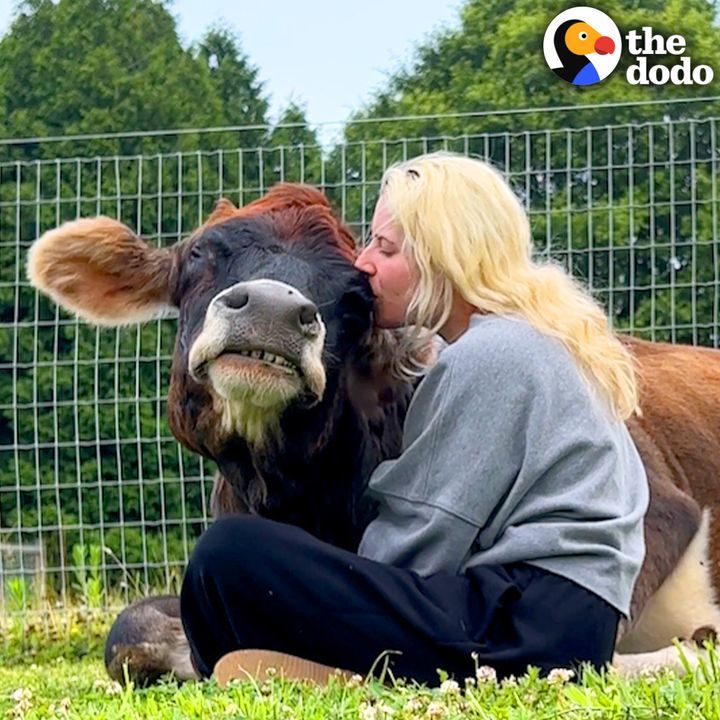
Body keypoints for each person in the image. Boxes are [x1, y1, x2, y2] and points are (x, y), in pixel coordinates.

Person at [180, 151, 649, 686]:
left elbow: (420, 545)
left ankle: (298, 668)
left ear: (443, 259)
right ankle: (302, 668)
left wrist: (326, 581)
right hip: (570, 621)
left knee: (229, 555)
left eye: (386, 247)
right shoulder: (552, 340)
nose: (364, 265)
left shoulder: (490, 354)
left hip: (521, 624)